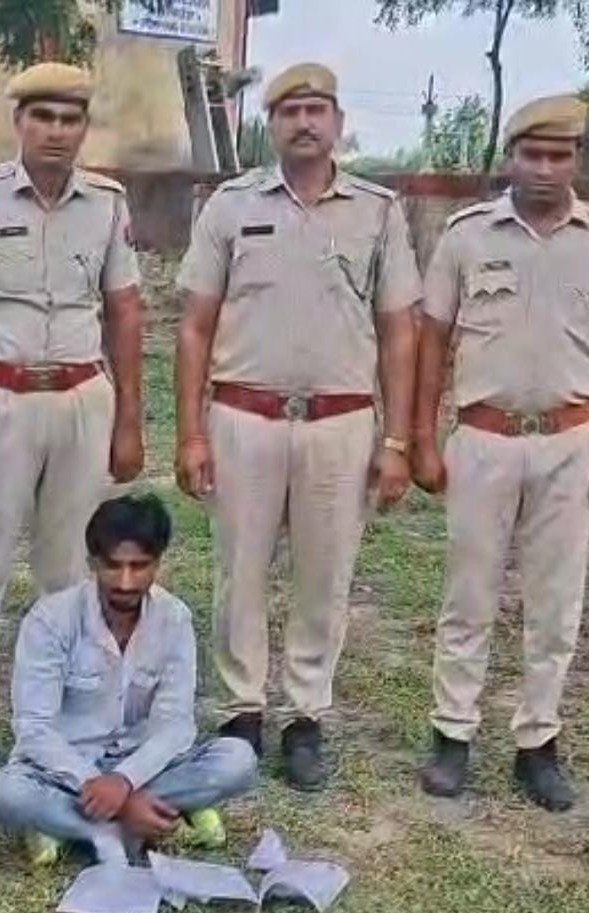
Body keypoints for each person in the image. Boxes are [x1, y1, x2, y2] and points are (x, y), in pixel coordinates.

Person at [174, 63, 421, 791]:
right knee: (239, 572)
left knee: (325, 574)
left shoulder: (377, 212)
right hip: (243, 417)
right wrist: (190, 433)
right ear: (271, 124)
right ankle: (242, 711)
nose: (304, 122)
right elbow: (195, 326)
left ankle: (305, 716)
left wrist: (398, 440)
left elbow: (399, 331)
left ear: (338, 122)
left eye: (316, 110)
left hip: (338, 423)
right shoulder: (230, 206)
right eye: (289, 111)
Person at [412, 95, 589, 812]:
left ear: (577, 160)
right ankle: (452, 735)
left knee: (555, 603)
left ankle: (537, 744)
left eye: (559, 155)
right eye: (532, 154)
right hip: (483, 438)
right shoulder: (466, 235)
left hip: (569, 442)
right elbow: (431, 341)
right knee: (469, 596)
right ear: (509, 159)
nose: (545, 169)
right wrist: (421, 437)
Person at [0, 62, 145, 801]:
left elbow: (124, 312)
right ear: (18, 122)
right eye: (42, 117)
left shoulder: (106, 204)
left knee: (70, 577)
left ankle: (61, 730)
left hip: (81, 398)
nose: (56, 131)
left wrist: (129, 421)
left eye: (70, 118)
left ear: (85, 127)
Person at [0, 494, 258, 866]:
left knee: (238, 759)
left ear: (158, 563)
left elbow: (176, 725)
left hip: (143, 767)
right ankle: (120, 826)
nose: (126, 582)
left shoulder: (174, 619)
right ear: (92, 563)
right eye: (113, 566)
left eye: (139, 566)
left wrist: (126, 781)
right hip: (68, 772)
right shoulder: (50, 620)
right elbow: (34, 729)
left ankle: (67, 824)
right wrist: (111, 795)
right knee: (5, 792)